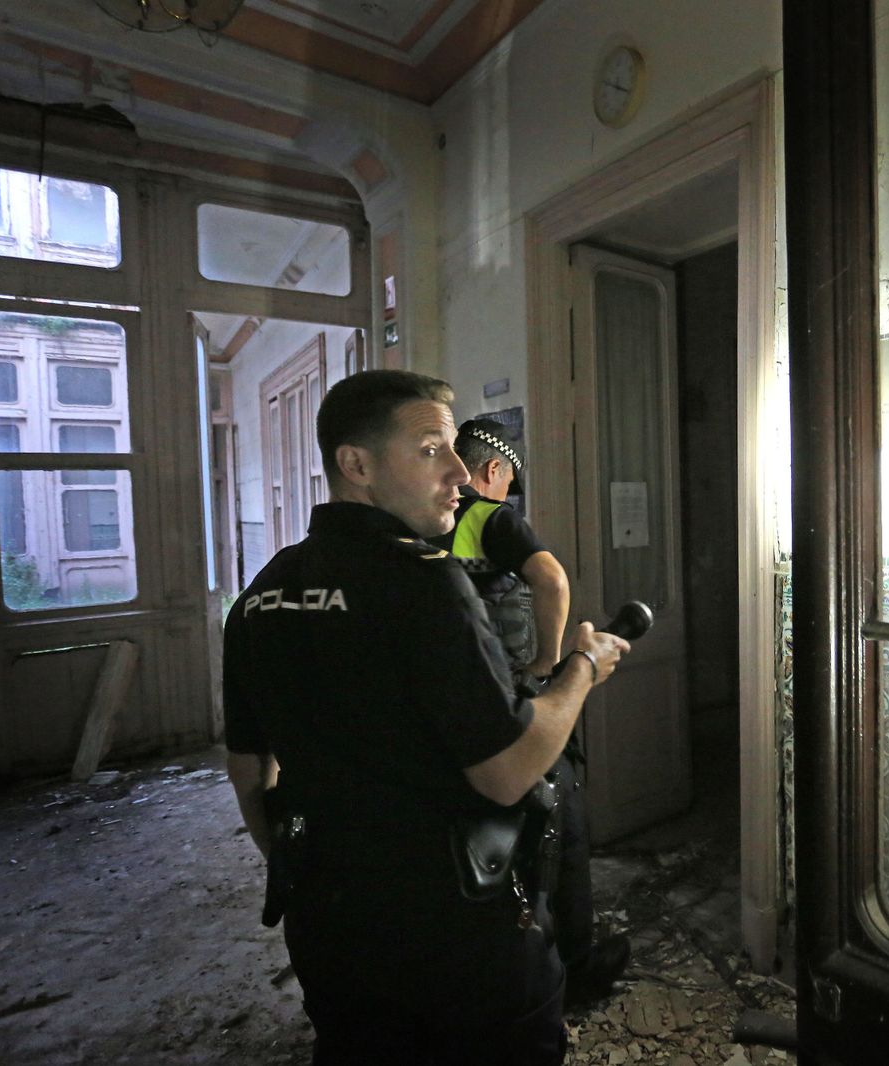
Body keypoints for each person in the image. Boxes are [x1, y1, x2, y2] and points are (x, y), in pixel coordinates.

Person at [223, 370, 629, 1064]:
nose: (461, 475)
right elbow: (506, 773)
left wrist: (308, 867)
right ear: (356, 464)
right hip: (458, 935)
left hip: (329, 925)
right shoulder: (422, 581)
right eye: (432, 450)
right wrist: (580, 671)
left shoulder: (263, 592)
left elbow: (247, 769)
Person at [433, 418, 631, 1007]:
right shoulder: (487, 515)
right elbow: (550, 579)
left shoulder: (422, 524)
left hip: (456, 712)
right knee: (562, 828)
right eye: (509, 479)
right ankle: (576, 968)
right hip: (516, 704)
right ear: (493, 470)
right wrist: (549, 662)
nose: (508, 490)